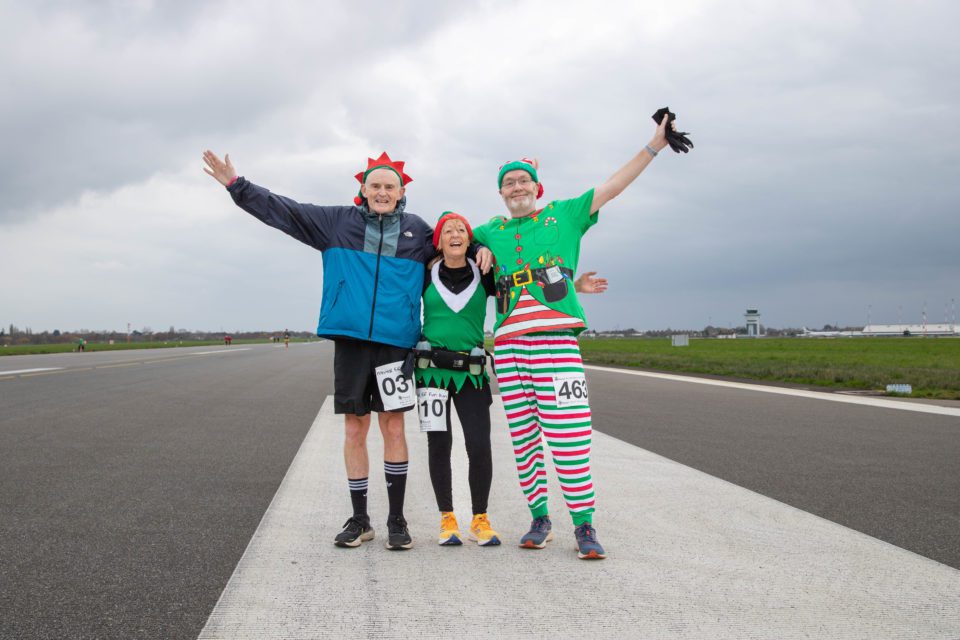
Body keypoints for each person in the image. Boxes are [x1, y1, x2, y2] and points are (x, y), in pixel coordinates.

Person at [202, 149, 492, 551]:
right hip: (351, 343)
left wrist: (478, 245)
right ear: (363, 189)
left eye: (390, 186)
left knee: (393, 426)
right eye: (375, 185)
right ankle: (360, 519)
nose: (382, 192)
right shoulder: (336, 223)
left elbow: (452, 236)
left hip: (396, 346)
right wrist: (238, 186)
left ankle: (396, 519)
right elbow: (285, 211)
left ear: (401, 191)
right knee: (355, 428)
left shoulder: (417, 232)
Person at [471, 116, 673, 559]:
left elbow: (613, 186)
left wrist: (653, 147)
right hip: (507, 350)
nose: (517, 187)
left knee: (569, 438)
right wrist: (474, 248)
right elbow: (450, 237)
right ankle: (540, 518)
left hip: (557, 345)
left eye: (525, 180)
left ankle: (584, 526)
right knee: (524, 441)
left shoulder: (566, 214)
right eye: (509, 183)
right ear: (501, 192)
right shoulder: (489, 230)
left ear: (537, 188)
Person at [418, 211, 608, 548]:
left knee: (479, 446)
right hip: (432, 372)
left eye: (461, 228)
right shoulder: (424, 273)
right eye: (447, 230)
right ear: (439, 240)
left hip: (471, 372)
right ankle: (447, 518)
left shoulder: (486, 272)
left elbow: (523, 285)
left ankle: (480, 519)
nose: (455, 233)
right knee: (439, 445)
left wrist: (574, 287)